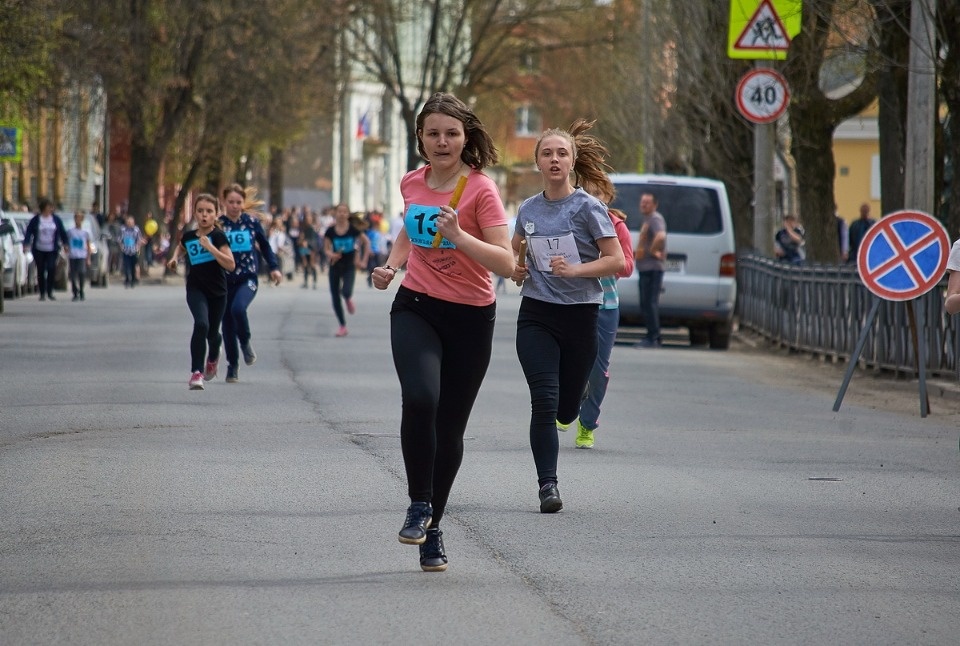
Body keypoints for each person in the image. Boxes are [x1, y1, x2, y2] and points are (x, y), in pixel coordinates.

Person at [370, 92, 514, 572]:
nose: (442, 141)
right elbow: (410, 231)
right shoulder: (412, 181)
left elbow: (506, 262)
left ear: (465, 137)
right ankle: (417, 503)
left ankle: (433, 529)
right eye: (432, 133)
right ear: (420, 140)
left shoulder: (481, 190)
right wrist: (391, 266)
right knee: (421, 398)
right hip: (416, 306)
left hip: (471, 318)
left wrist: (460, 237)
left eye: (451, 133)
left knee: (450, 432)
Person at [508, 118, 625, 513]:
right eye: (547, 153)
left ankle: (575, 403)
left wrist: (574, 270)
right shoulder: (528, 209)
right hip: (537, 313)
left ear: (572, 162)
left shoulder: (589, 209)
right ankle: (548, 486)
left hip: (580, 316)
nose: (554, 159)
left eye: (562, 153)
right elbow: (514, 252)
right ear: (537, 163)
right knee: (543, 401)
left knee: (566, 408)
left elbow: (617, 260)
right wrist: (516, 268)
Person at [562, 181, 635, 449]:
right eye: (587, 193)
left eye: (598, 193)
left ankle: (587, 422)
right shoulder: (570, 218)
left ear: (608, 196)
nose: (593, 198)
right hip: (571, 301)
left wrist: (602, 262)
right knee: (566, 362)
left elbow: (627, 265)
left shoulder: (617, 226)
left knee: (598, 370)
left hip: (605, 305)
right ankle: (567, 404)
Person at [166, 194, 236, 390]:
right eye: (200, 211)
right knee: (201, 324)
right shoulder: (189, 236)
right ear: (195, 213)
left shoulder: (218, 237)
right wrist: (174, 259)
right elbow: (181, 248)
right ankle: (196, 372)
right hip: (196, 289)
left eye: (209, 211)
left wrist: (211, 248)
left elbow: (230, 265)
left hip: (218, 292)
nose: (204, 215)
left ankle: (214, 352)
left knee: (212, 333)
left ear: (216, 215)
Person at [219, 184, 283, 383]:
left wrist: (273, 267)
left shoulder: (251, 223)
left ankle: (245, 342)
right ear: (224, 203)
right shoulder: (218, 224)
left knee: (238, 309)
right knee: (227, 324)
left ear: (243, 203)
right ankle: (232, 366)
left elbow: (265, 246)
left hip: (247, 278)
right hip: (224, 280)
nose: (235, 206)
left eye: (238, 202)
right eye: (231, 202)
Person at [323, 203, 370, 337]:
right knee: (335, 296)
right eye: (339, 211)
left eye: (345, 212)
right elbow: (326, 248)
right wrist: (331, 254)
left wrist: (363, 260)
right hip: (335, 265)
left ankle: (348, 298)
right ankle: (342, 326)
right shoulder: (330, 231)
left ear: (348, 214)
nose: (342, 214)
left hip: (349, 265)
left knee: (346, 291)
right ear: (335, 213)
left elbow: (366, 242)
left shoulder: (353, 230)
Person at [633, 192, 667, 348]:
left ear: (655, 204)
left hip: (652, 269)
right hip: (645, 268)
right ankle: (651, 336)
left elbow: (661, 236)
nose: (643, 205)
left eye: (647, 202)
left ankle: (654, 337)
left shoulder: (655, 218)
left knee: (650, 303)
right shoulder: (648, 219)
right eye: (642, 202)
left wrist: (653, 250)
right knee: (645, 303)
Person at [22, 198, 69, 301]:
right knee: (41, 270)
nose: (50, 209)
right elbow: (29, 231)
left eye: (51, 207)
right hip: (39, 249)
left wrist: (65, 244)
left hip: (52, 249)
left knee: (51, 268)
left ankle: (50, 291)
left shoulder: (55, 219)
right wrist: (26, 243)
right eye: (48, 207)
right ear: (43, 208)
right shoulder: (36, 219)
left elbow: (62, 232)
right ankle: (42, 292)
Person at [66, 211, 93, 301]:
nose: (78, 220)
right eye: (76, 218)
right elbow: (67, 244)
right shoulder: (70, 231)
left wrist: (88, 258)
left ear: (82, 220)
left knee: (81, 273)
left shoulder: (85, 232)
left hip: (82, 255)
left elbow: (88, 245)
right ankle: (75, 292)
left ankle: (81, 290)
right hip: (73, 255)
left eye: (80, 218)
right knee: (73, 275)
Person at [119, 215, 145, 287]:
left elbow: (139, 239)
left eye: (131, 222)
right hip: (126, 250)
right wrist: (121, 247)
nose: (129, 223)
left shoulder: (136, 230)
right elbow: (120, 239)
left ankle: (133, 279)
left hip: (134, 250)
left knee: (133, 266)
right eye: (128, 222)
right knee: (126, 265)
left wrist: (138, 247)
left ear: (133, 222)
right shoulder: (123, 229)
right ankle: (127, 279)